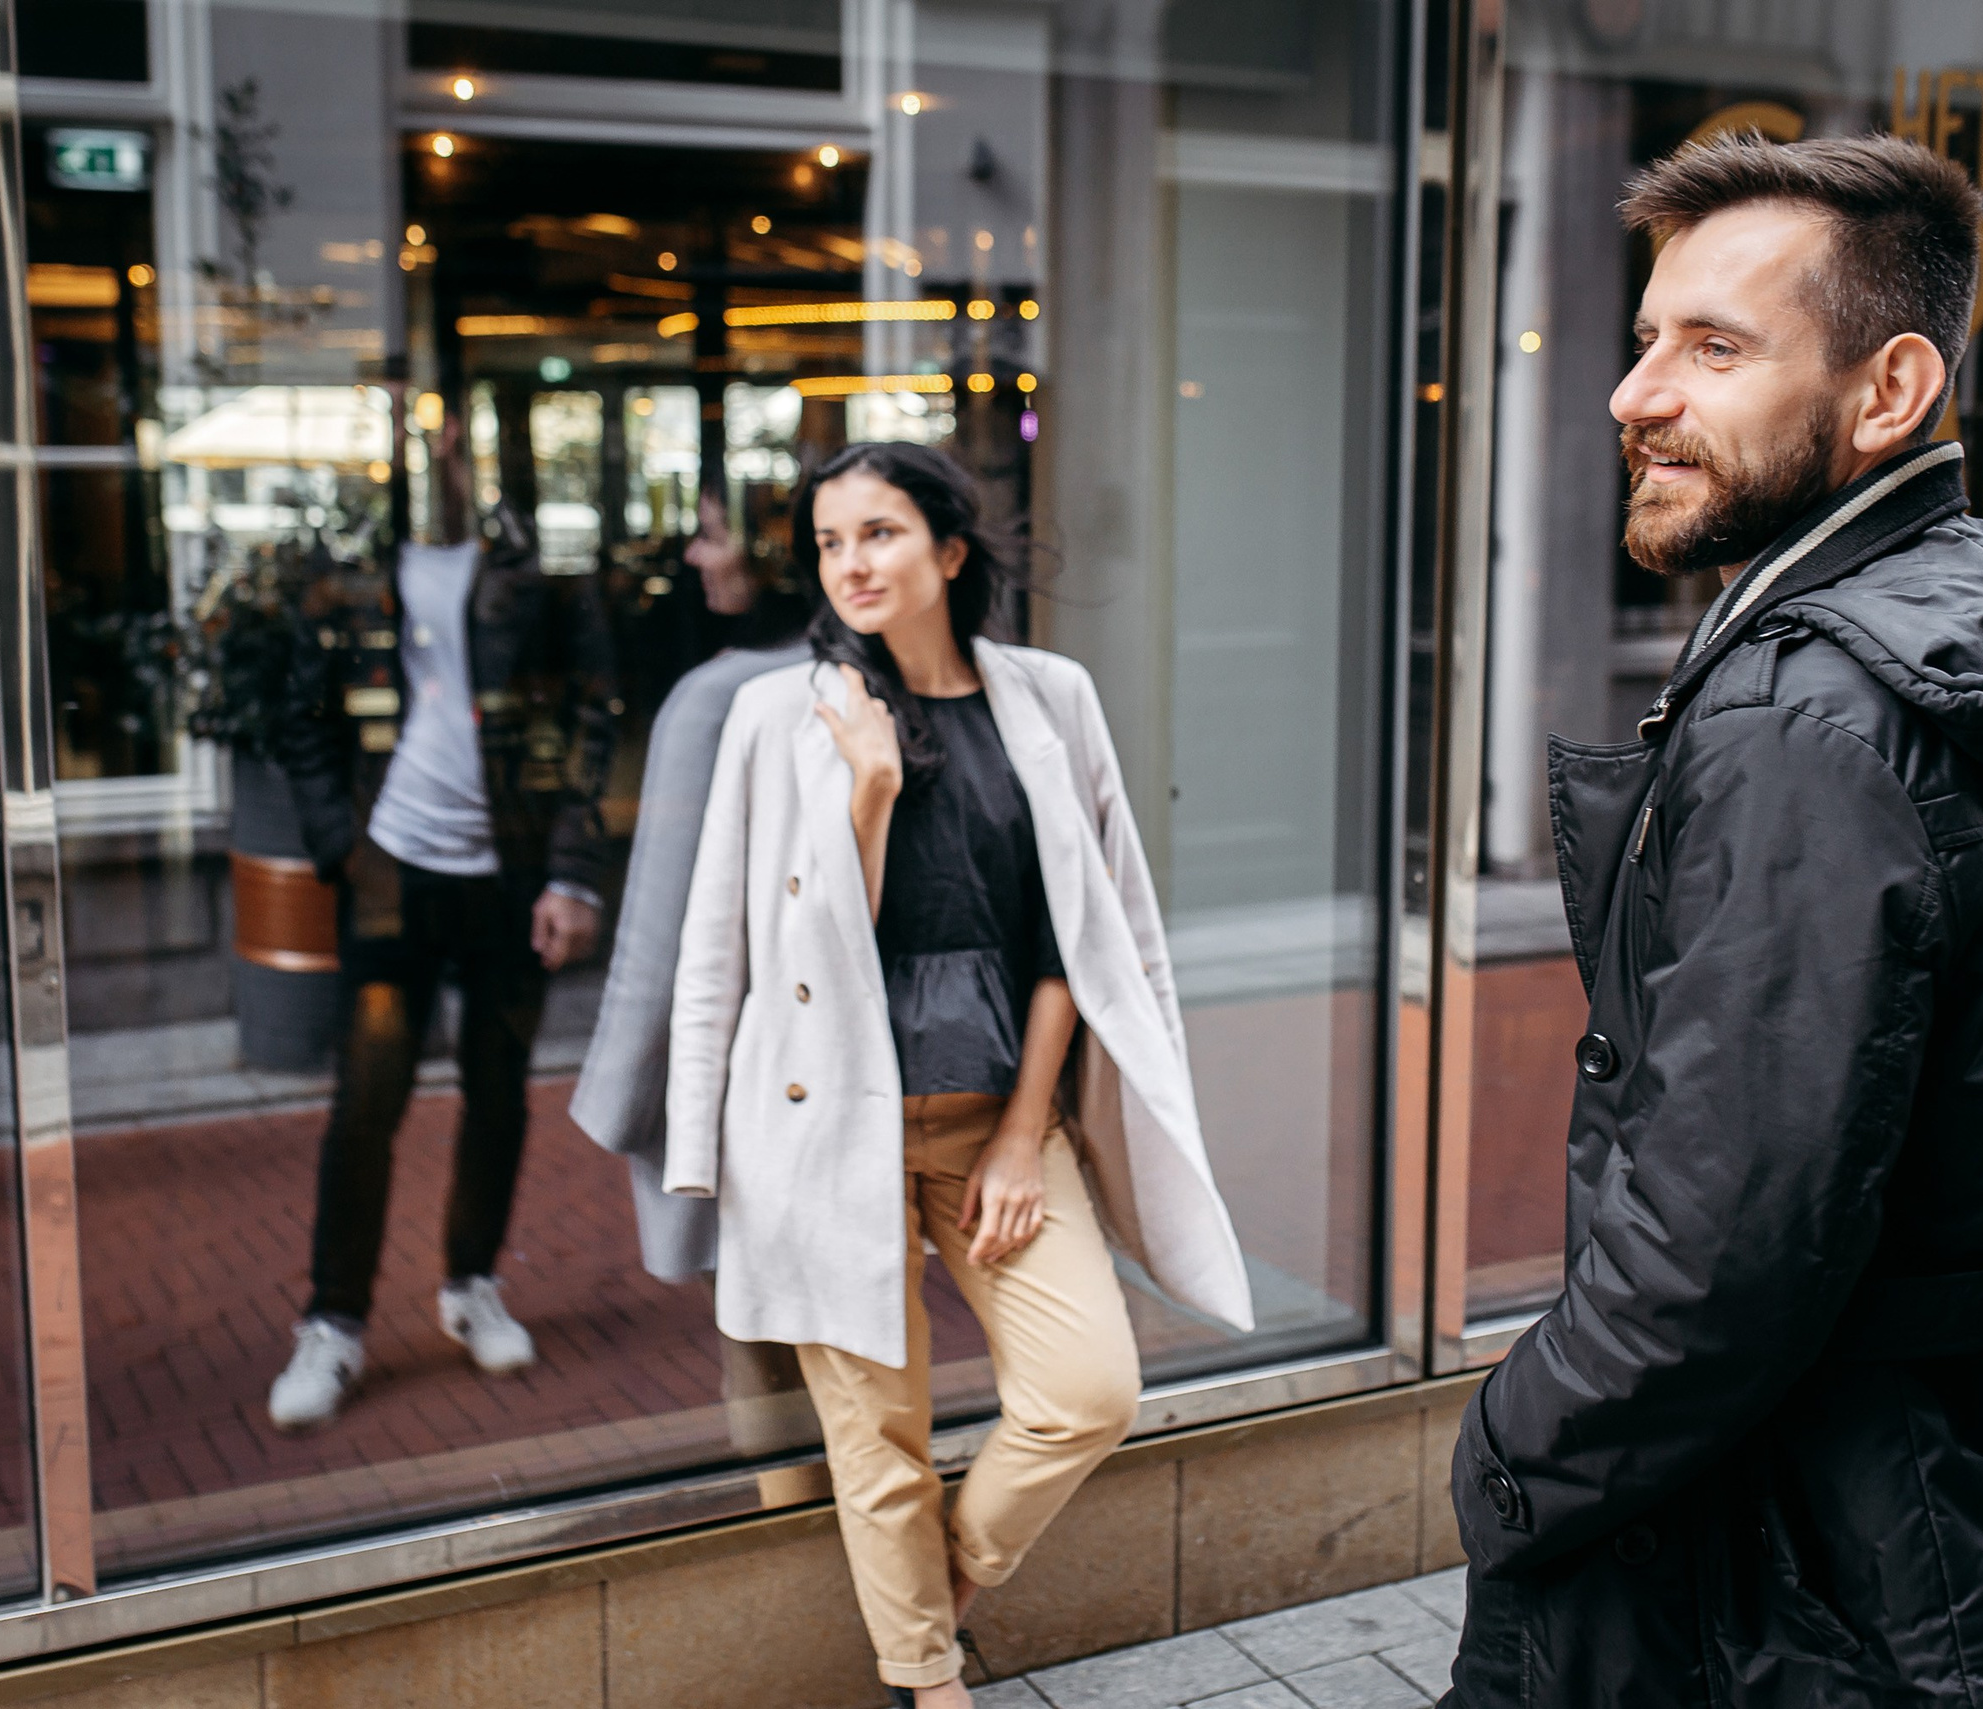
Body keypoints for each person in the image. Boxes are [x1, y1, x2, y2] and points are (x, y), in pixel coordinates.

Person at [1443, 133, 1983, 1705]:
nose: (1635, 394)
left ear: (1889, 394)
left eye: (1714, 348)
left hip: (1890, 1569)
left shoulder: (1811, 715)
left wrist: (1512, 1455)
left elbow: (1719, 1255)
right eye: (1647, 337)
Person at [664, 443, 1255, 1707]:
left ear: (946, 549)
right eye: (828, 542)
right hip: (829, 1125)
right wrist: (870, 791)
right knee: (876, 1437)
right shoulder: (784, 713)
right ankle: (925, 1679)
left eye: (877, 532)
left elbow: (1073, 941)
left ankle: (949, 1578)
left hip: (996, 1112)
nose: (850, 563)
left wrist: (1020, 1129)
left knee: (1088, 1388)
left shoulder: (1049, 697)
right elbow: (741, 941)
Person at [264, 416, 619, 1431]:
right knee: (365, 1103)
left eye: (460, 439)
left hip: (505, 877)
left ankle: (470, 1284)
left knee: (498, 1091)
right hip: (388, 876)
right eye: (429, 438)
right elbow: (302, 718)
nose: (444, 457)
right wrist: (344, 846)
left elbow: (587, 715)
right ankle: (332, 1323)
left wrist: (571, 874)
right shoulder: (350, 577)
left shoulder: (531, 575)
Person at [571, 490, 816, 1477]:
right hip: (865, 1071)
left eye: (718, 536)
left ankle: (801, 1554)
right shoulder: (880, 671)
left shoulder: (719, 697)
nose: (695, 553)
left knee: (764, 1356)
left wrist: (624, 1100)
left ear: (771, 560)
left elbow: (659, 937)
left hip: (752, 1072)